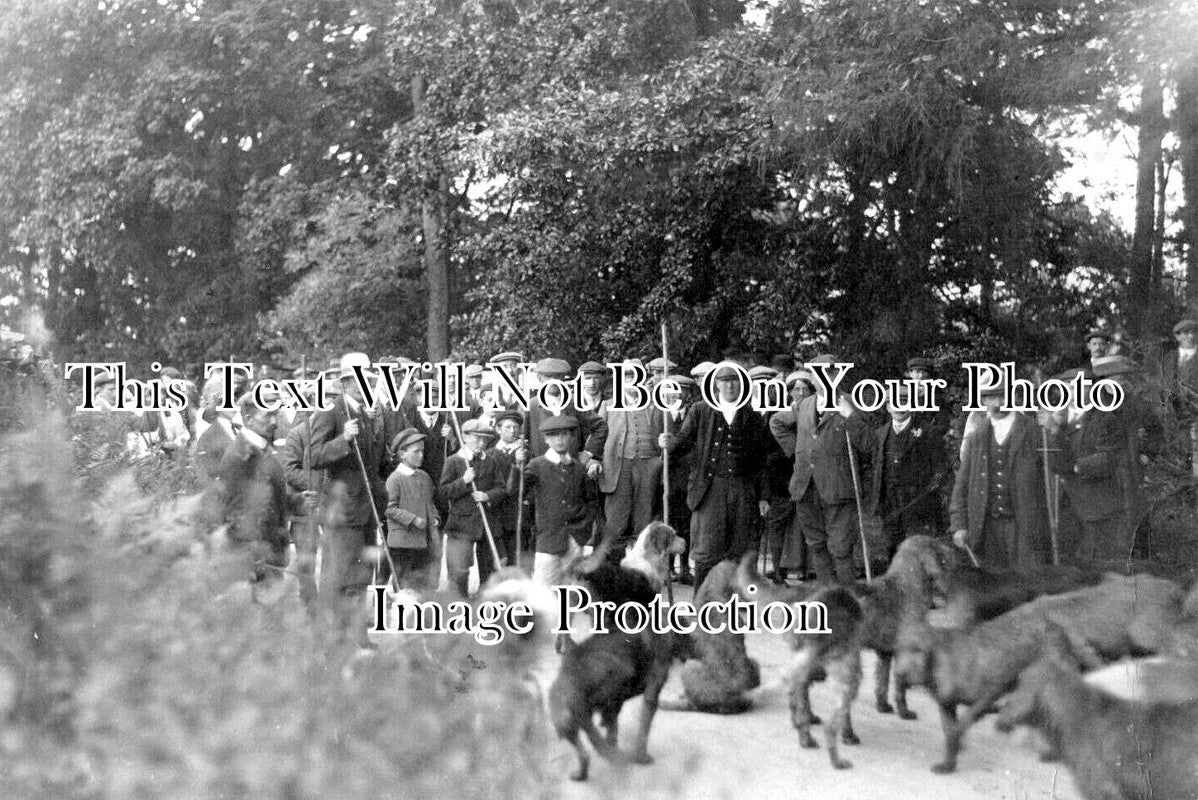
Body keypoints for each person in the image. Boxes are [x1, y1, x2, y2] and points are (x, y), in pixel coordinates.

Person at [661, 363, 772, 591]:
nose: (730, 385)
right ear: (717, 384)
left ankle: (734, 603)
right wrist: (668, 442)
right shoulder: (701, 410)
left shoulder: (750, 416)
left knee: (739, 548)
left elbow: (761, 460)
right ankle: (702, 603)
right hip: (710, 489)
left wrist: (763, 496)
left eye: (734, 380)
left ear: (741, 384)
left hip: (743, 489)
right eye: (725, 381)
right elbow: (683, 441)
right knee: (707, 549)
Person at [771, 355, 873, 585]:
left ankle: (848, 602)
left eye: (830, 372)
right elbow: (776, 422)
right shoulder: (805, 404)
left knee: (840, 548)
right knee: (816, 545)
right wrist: (798, 451)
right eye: (819, 373)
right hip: (805, 487)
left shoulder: (850, 402)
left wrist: (851, 416)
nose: (824, 377)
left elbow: (869, 445)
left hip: (838, 488)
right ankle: (827, 599)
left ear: (838, 375)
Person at [307, 352, 390, 631]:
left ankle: (354, 632)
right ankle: (332, 631)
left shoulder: (366, 416)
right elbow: (314, 457)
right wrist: (343, 439)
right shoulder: (330, 414)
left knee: (360, 574)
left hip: (365, 508)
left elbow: (374, 462)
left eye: (366, 380)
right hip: (342, 509)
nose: (362, 385)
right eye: (357, 380)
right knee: (339, 573)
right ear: (345, 383)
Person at [214, 395, 314, 595]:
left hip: (272, 553)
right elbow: (235, 513)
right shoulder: (239, 457)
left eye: (276, 415)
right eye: (267, 416)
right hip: (255, 561)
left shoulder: (263, 451)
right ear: (249, 419)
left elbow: (270, 496)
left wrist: (298, 500)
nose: (275, 422)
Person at [950, 379, 1050, 570]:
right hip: (986, 528)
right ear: (983, 401)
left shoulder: (1033, 430)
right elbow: (961, 484)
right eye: (990, 398)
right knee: (993, 589)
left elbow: (1051, 476)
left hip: (1024, 526)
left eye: (1001, 396)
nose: (996, 403)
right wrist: (958, 524)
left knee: (1028, 584)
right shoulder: (977, 435)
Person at [1044, 369, 1126, 567]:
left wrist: (1074, 467)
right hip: (1068, 510)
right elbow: (1053, 463)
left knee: (1102, 570)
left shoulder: (1106, 418)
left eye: (1081, 385)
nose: (1074, 391)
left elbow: (1108, 458)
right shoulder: (1057, 422)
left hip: (1098, 509)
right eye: (1069, 386)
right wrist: (1054, 431)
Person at [869, 384, 950, 563]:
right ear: (888, 407)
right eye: (894, 404)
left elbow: (942, 468)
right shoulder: (880, 435)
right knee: (892, 548)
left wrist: (929, 491)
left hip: (919, 503)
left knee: (918, 551)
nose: (899, 408)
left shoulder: (928, 433)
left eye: (904, 402)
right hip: (890, 502)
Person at [513, 416, 596, 585]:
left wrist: (584, 529)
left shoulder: (578, 467)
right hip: (548, 540)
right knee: (543, 591)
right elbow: (517, 491)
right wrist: (517, 465)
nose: (560, 439)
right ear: (546, 439)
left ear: (572, 438)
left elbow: (590, 500)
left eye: (564, 434)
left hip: (575, 540)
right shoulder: (537, 465)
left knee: (572, 590)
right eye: (554, 435)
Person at [597, 364, 665, 562]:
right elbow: (598, 437)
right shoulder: (608, 405)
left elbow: (665, 439)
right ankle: (613, 569)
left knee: (643, 521)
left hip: (648, 468)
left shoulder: (656, 407)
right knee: (616, 521)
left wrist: (662, 453)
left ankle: (639, 569)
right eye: (627, 377)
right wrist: (594, 460)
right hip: (618, 468)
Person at [439, 418, 509, 596]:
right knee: (459, 571)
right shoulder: (454, 461)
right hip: (461, 524)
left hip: (487, 524)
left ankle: (485, 606)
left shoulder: (491, 461)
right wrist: (464, 481)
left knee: (489, 569)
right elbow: (444, 491)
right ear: (464, 437)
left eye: (485, 440)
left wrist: (487, 496)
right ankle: (458, 605)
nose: (481, 443)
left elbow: (502, 489)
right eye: (476, 438)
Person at [384, 428, 441, 590]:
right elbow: (389, 508)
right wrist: (413, 519)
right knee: (404, 587)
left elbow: (429, 502)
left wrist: (435, 518)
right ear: (402, 454)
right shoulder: (395, 479)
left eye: (422, 451)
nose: (421, 455)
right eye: (416, 452)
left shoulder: (424, 476)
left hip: (423, 543)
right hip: (403, 544)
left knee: (422, 586)